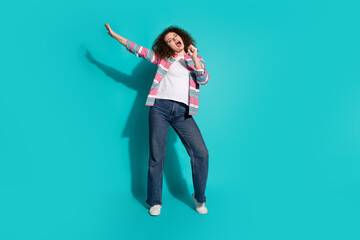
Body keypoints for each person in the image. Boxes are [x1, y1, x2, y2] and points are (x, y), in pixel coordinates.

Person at [105, 23, 210, 216]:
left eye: (175, 36)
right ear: (167, 46)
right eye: (168, 40)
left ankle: (199, 198)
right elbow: (139, 50)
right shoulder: (163, 59)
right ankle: (154, 201)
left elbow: (203, 79)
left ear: (183, 38)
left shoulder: (195, 59)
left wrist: (194, 56)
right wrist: (115, 36)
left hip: (183, 112)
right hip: (159, 108)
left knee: (201, 153)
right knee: (156, 156)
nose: (173, 40)